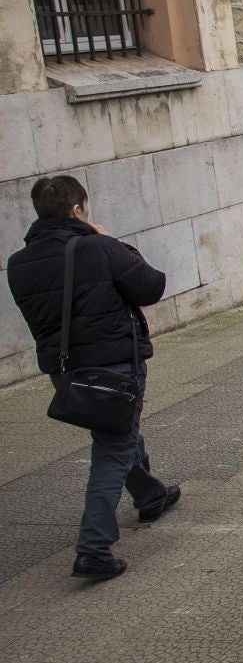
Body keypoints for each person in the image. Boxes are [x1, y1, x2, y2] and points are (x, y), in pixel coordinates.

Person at [7, 175, 177, 579]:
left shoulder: (18, 263)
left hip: (66, 372)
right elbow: (151, 286)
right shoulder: (98, 246)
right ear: (78, 208)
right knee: (112, 449)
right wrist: (112, 243)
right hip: (115, 363)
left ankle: (150, 495)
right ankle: (93, 548)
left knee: (116, 433)